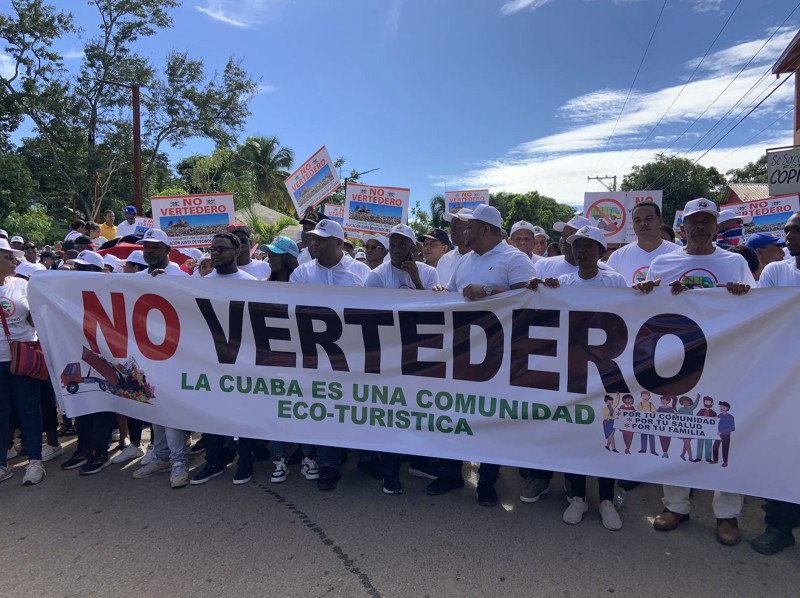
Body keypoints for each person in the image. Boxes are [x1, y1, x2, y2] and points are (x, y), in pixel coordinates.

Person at [636, 197, 755, 546]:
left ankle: (727, 514)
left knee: (726, 436)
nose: (700, 227)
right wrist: (643, 292)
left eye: (707, 221)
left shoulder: (734, 263)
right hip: (678, 363)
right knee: (674, 430)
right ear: (682, 226)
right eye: (694, 221)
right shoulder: (663, 262)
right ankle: (675, 506)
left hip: (727, 361)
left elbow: (761, 307)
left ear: (717, 226)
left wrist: (743, 295)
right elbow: (645, 307)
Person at [428, 205, 537, 506]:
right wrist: (441, 291)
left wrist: (489, 291)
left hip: (499, 354)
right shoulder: (464, 261)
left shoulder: (515, 259)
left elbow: (530, 301)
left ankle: (487, 480)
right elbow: (454, 293)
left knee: (492, 415)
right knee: (454, 411)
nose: (463, 232)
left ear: (485, 230)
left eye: (469, 228)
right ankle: (452, 472)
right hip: (461, 349)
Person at [527, 225, 624, 530]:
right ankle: (578, 496)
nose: (582, 252)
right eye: (577, 247)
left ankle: (607, 499)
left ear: (601, 252)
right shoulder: (562, 282)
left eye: (588, 247)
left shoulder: (615, 281)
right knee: (575, 430)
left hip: (607, 369)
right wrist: (536, 288)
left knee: (606, 431)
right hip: (573, 368)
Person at [290, 218, 371, 491]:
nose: (315, 243)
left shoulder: (362, 272)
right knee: (324, 409)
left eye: (322, 240)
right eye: (313, 239)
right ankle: (328, 466)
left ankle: (366, 457)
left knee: (356, 407)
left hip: (355, 355)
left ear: (339, 243)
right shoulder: (301, 274)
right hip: (315, 356)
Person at [364, 224, 441, 495]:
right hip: (389, 354)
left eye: (401, 245)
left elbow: (436, 311)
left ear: (412, 248)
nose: (396, 250)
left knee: (418, 411)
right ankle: (390, 473)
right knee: (391, 414)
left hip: (422, 353)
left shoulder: (430, 273)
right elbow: (367, 314)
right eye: (392, 244)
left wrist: (417, 280)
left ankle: (419, 462)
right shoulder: (376, 275)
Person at [191, 233, 262, 486]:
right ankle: (214, 461)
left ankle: (245, 461)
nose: (215, 253)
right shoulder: (200, 284)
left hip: (243, 360)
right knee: (210, 413)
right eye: (212, 249)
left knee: (244, 412)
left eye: (221, 249)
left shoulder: (252, 283)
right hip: (210, 360)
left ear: (239, 250)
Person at [750, 211, 800, 555]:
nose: (788, 237)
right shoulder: (776, 271)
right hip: (783, 379)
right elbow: (761, 319)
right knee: (784, 454)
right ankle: (779, 526)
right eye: (787, 231)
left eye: (795, 231)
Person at [130, 228, 190, 489]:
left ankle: (179, 461)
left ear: (167, 250)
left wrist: (170, 283)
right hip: (147, 353)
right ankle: (161, 454)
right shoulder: (137, 278)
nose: (149, 251)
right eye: (146, 248)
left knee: (172, 407)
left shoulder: (181, 276)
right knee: (154, 403)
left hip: (176, 353)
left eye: (155, 247)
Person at [262, 235, 320, 484]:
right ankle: (279, 459)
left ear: (288, 257)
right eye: (269, 253)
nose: (270, 257)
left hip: (303, 357)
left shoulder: (304, 286)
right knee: (278, 409)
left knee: (303, 408)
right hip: (274, 357)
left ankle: (308, 456)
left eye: (275, 253)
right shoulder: (261, 287)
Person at [58, 250, 119, 475]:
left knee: (100, 406)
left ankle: (100, 451)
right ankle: (84, 448)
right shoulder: (68, 292)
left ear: (97, 271)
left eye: (84, 268)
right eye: (77, 267)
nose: (78, 272)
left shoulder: (109, 290)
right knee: (82, 405)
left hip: (101, 355)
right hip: (78, 354)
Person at [0, 237, 46, 485]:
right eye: (8, 257)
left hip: (23, 357)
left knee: (29, 409)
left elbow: (36, 317)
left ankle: (35, 462)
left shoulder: (21, 285)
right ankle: (1, 464)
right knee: (2, 412)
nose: (14, 260)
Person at [606, 202, 680, 285]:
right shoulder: (617, 257)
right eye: (637, 220)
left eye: (649, 219)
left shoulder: (679, 254)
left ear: (660, 221)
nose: (643, 223)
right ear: (633, 224)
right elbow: (608, 290)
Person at [435, 208, 472, 287]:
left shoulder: (484, 258)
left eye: (458, 227)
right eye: (452, 227)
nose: (452, 231)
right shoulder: (445, 259)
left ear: (470, 229)